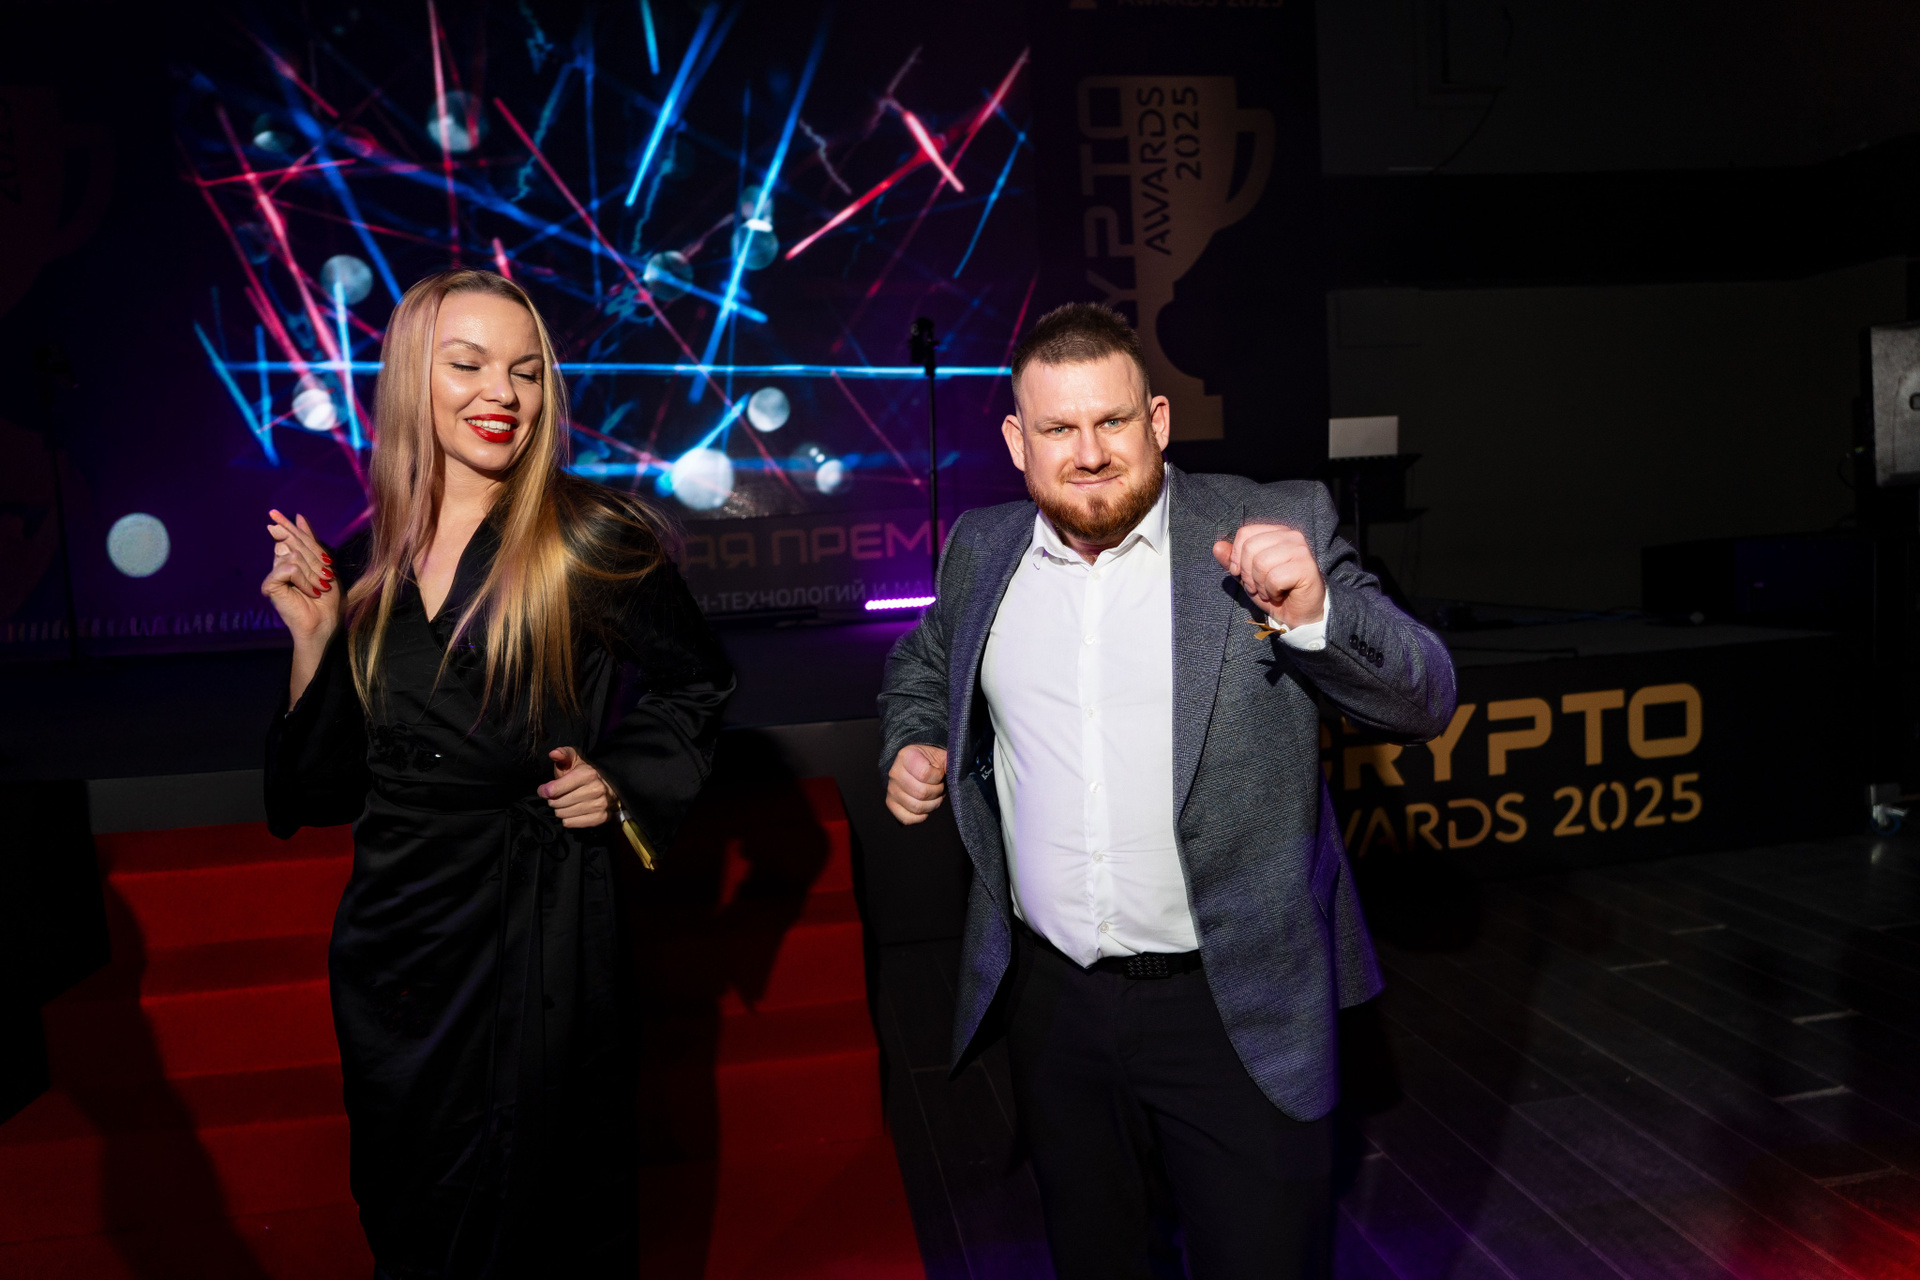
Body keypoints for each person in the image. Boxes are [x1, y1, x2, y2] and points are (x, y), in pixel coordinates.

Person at [878, 303, 1456, 1279]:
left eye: (1111, 421)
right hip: (1054, 1004)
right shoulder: (982, 548)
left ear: (1156, 420)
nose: (1088, 453)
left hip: (1234, 1007)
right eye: (1058, 428)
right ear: (1018, 441)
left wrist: (1314, 613)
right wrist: (916, 737)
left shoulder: (1269, 525)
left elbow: (1424, 695)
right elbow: (924, 663)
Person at [260, 269, 733, 1279]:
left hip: (538, 920)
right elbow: (322, 792)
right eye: (468, 364)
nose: (501, 393)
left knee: (544, 1209)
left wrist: (620, 779)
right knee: (410, 1203)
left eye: (524, 371)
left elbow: (698, 682)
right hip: (397, 938)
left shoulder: (587, 534)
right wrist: (314, 642)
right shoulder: (368, 559)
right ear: (411, 380)